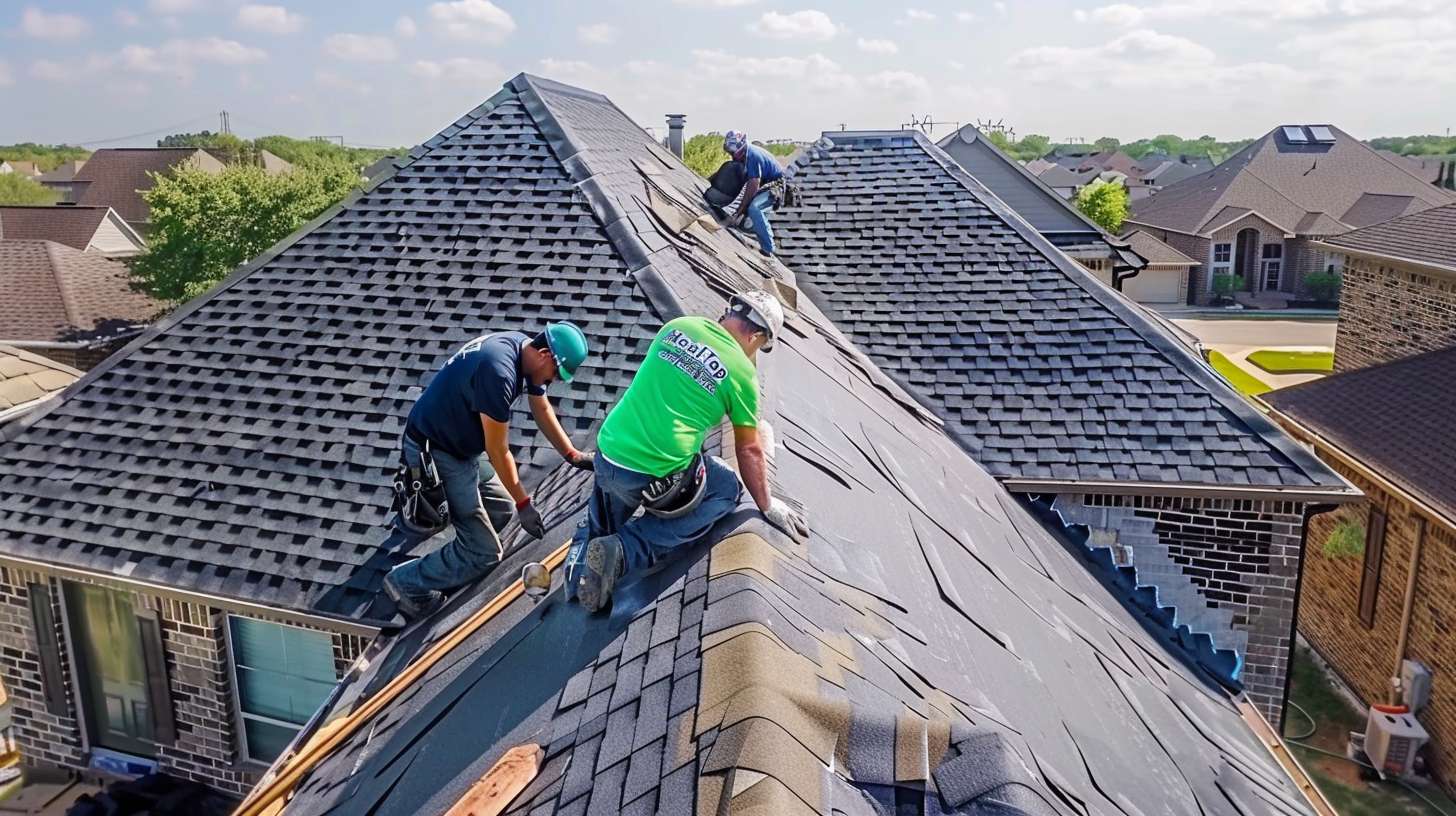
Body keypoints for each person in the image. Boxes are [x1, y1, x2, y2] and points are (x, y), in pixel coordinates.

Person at [567, 291, 809, 613]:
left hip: (609, 451)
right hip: (655, 474)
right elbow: (749, 449)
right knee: (724, 487)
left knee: (604, 514)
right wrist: (766, 504)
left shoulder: (678, 327)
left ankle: (577, 572)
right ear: (755, 336)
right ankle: (626, 549)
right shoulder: (742, 375)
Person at [382, 322, 593, 620]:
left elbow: (540, 407)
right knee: (486, 554)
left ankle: (465, 542)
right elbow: (498, 450)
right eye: (557, 374)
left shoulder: (523, 348)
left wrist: (572, 454)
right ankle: (405, 582)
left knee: (502, 511)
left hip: (462, 446)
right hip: (437, 452)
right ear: (545, 355)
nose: (554, 380)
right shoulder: (499, 373)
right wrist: (525, 504)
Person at [722, 131, 785, 257]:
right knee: (747, 213)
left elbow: (753, 186)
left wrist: (738, 212)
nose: (733, 155)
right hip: (765, 184)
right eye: (730, 152)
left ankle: (768, 248)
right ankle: (756, 231)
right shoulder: (744, 155)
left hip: (776, 187)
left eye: (734, 152)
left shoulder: (752, 156)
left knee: (754, 208)